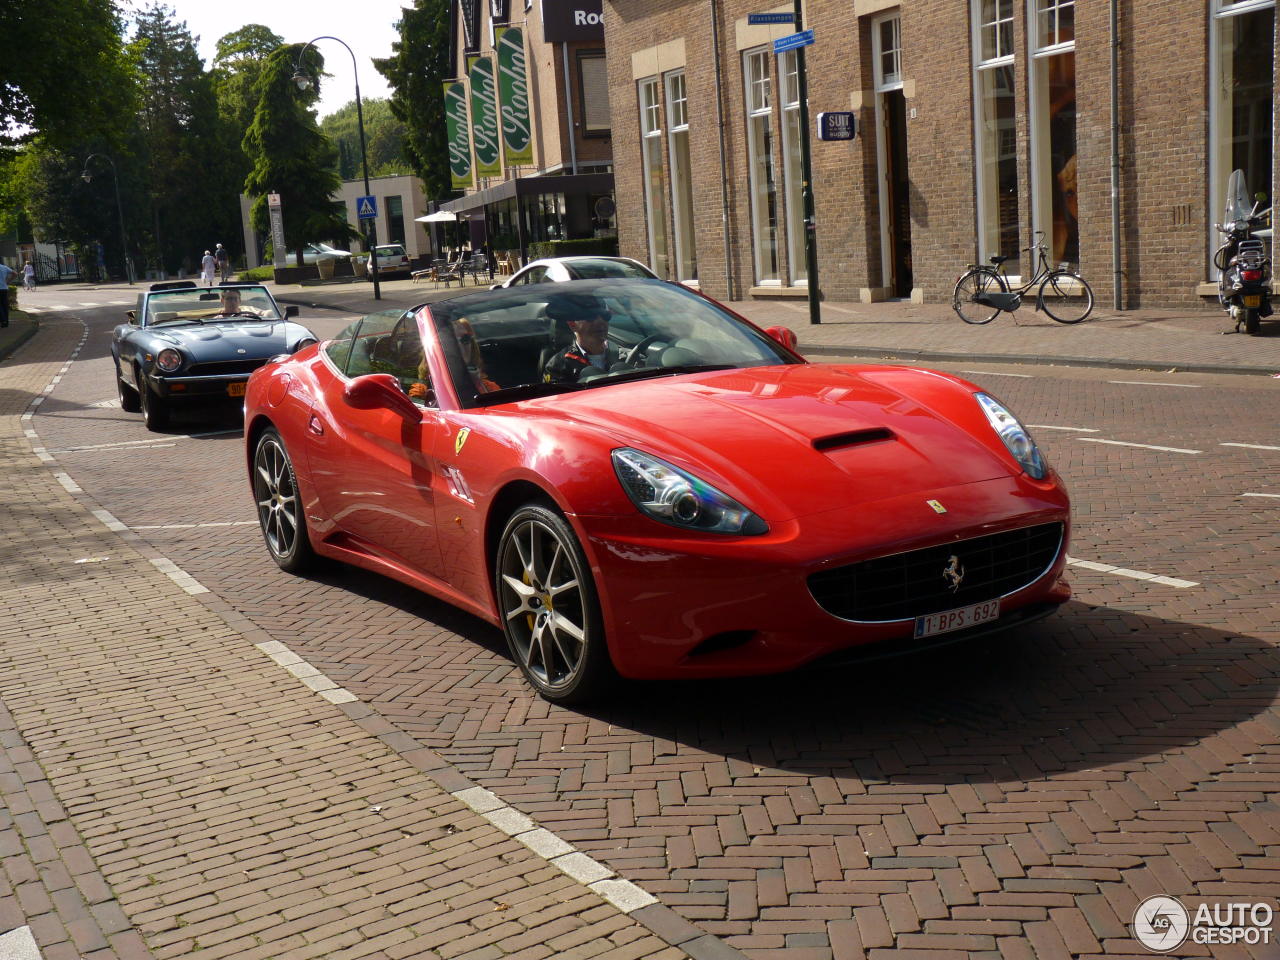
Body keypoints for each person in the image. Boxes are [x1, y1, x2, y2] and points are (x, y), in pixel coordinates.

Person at [542, 293, 617, 383]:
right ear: (572, 325)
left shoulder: (625, 355)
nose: (600, 321)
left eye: (605, 316)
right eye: (590, 317)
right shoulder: (558, 366)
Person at [0, 261, 16, 327]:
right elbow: (15, 273)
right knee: (4, 305)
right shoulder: (4, 267)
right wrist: (8, 281)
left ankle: (3, 320)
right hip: (4, 288)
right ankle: (6, 322)